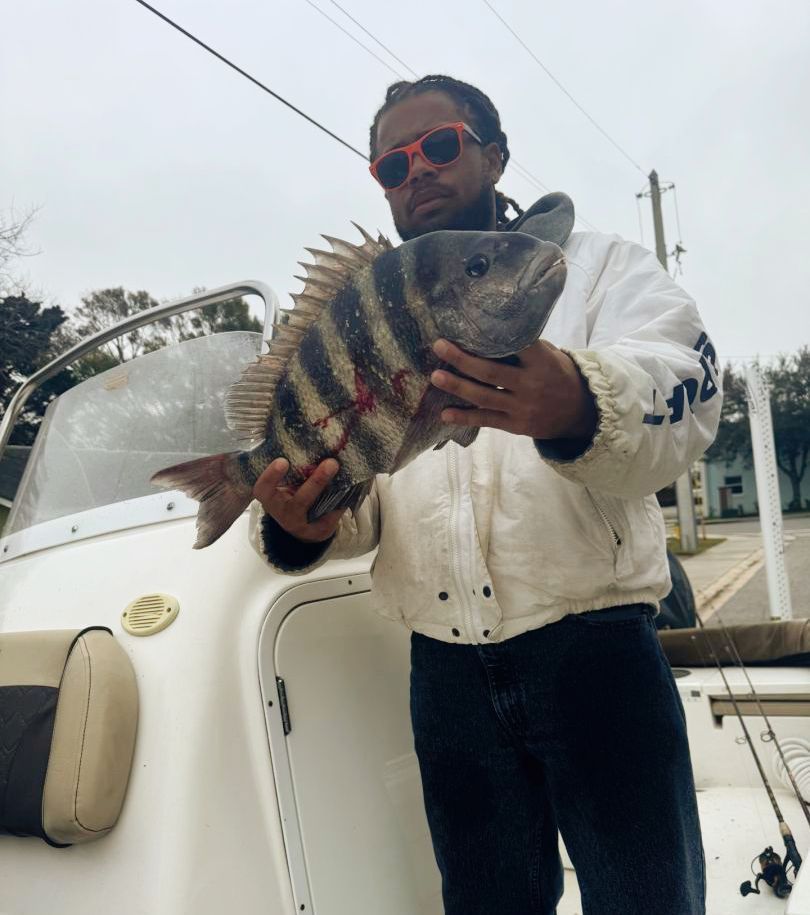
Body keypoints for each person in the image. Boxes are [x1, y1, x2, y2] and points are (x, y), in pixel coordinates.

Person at [249, 75, 720, 915]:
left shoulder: (597, 266)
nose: (416, 172)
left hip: (598, 650)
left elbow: (691, 384)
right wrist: (302, 523)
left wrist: (579, 398)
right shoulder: (364, 313)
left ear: (494, 154)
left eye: (439, 146)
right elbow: (368, 506)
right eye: (392, 165)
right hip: (445, 675)